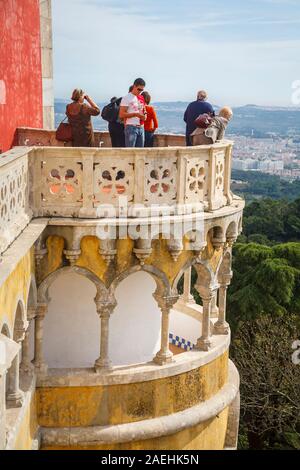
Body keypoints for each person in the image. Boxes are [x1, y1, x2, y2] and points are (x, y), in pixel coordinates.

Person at [119, 78, 147, 147]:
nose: (140, 91)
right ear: (134, 86)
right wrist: (135, 114)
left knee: (140, 153)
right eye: (139, 89)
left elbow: (144, 109)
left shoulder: (141, 97)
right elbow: (121, 114)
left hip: (141, 127)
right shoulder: (126, 98)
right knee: (130, 152)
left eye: (142, 90)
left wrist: (145, 114)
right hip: (131, 127)